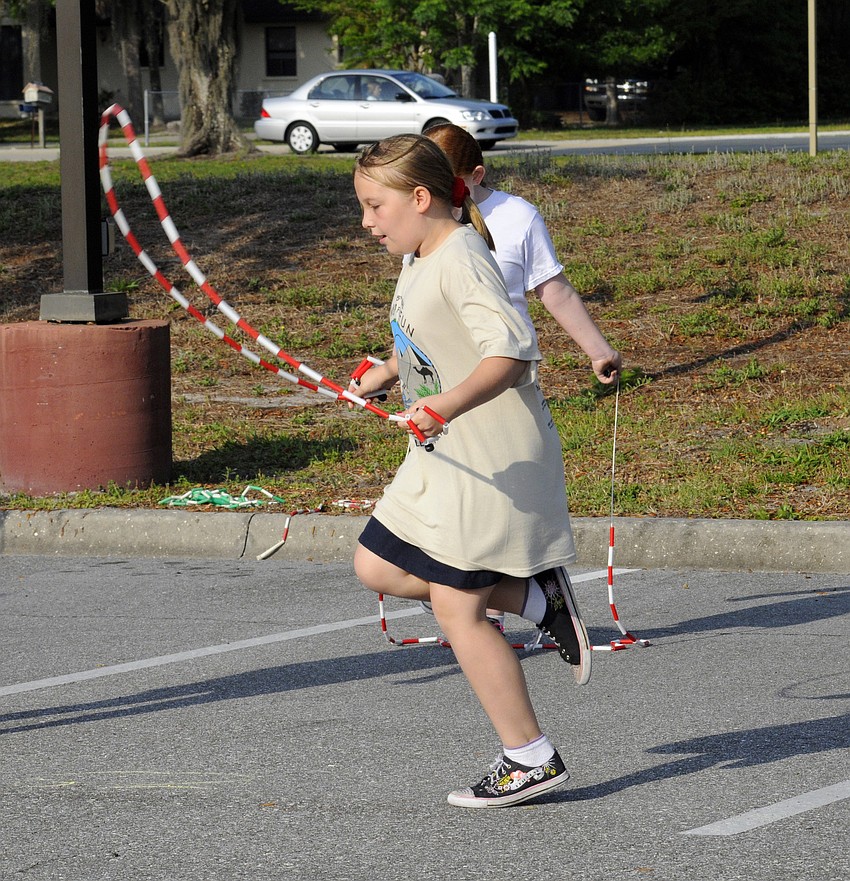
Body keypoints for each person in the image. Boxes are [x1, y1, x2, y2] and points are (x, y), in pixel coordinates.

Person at [348, 133, 591, 808]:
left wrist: (444, 405)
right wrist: (389, 370)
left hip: (488, 456)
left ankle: (530, 755)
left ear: (420, 198)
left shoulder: (460, 256)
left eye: (374, 206)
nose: (366, 221)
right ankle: (538, 599)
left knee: (458, 607)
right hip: (440, 456)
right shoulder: (418, 253)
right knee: (378, 565)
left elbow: (511, 353)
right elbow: (431, 338)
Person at [424, 123, 622, 628]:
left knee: (490, 499)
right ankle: (497, 606)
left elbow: (552, 290)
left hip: (500, 386)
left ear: (475, 176)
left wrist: (597, 350)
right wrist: (390, 367)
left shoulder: (516, 217)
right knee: (449, 504)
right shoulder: (423, 223)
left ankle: (511, 601)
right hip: (442, 386)